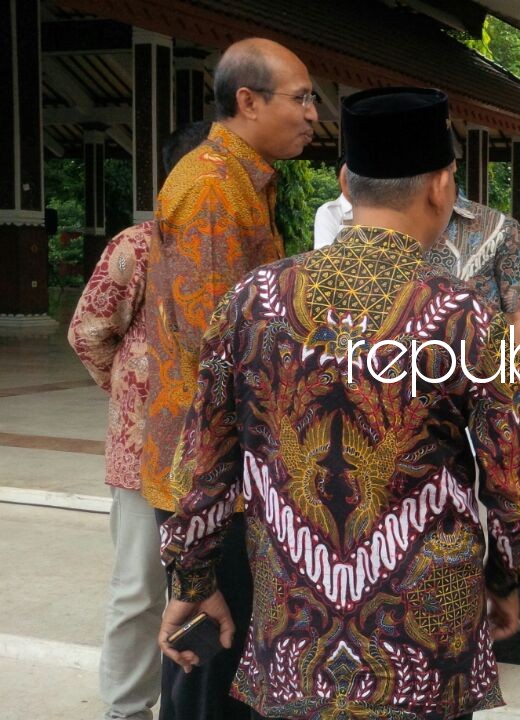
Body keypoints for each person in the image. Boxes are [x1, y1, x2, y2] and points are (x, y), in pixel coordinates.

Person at [156, 86, 520, 720]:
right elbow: (516, 486)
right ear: (442, 186)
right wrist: (504, 577)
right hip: (423, 635)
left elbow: (203, 464)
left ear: (344, 181)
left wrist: (191, 579)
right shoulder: (467, 316)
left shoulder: (252, 302)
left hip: (294, 629)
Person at [141, 37, 316, 720]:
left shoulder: (243, 180)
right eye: (300, 98)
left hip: (225, 474)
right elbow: (220, 358)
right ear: (248, 101)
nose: (312, 114)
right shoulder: (214, 188)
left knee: (230, 663)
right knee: (210, 661)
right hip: (212, 480)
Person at [67, 121, 210, 720]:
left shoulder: (255, 248)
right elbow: (90, 332)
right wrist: (135, 400)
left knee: (209, 590)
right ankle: (126, 709)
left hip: (225, 456)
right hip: (143, 456)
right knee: (140, 588)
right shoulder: (138, 246)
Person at [315, 173, 520, 372]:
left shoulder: (498, 228)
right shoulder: (357, 223)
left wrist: (518, 396)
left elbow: (518, 315)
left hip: (471, 385)